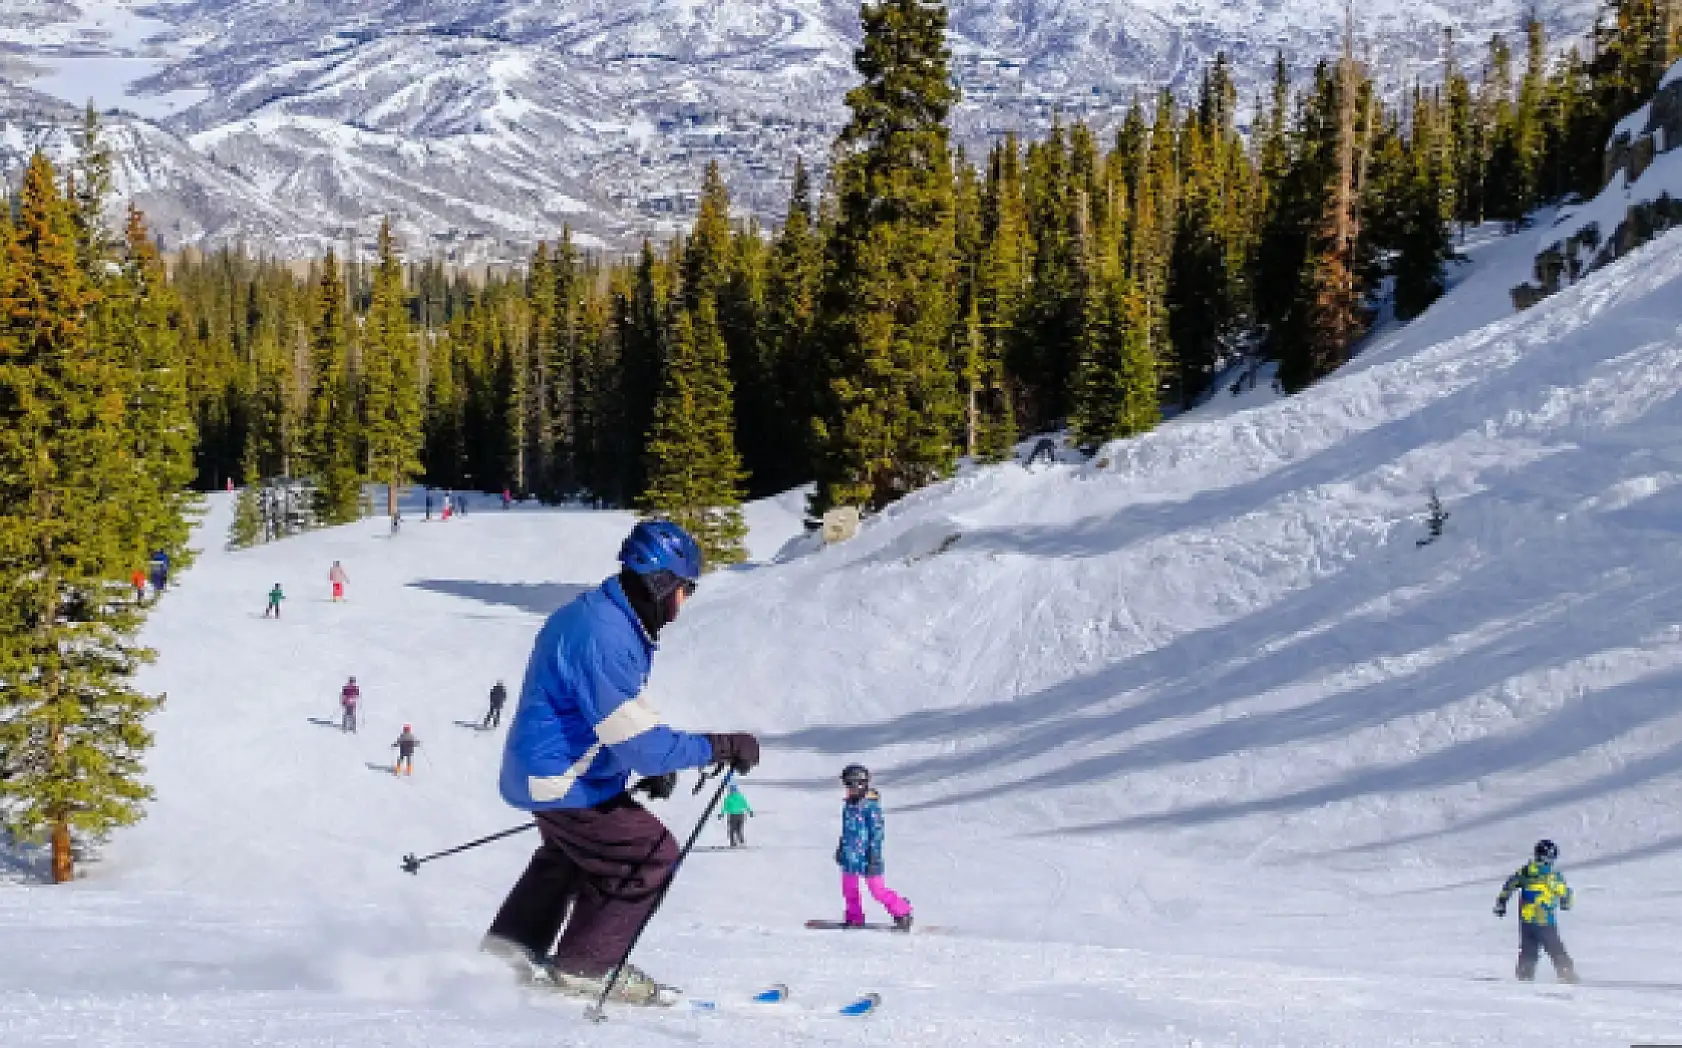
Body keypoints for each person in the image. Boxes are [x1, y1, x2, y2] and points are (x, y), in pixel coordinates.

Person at [481, 519, 761, 1006]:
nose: (684, 603)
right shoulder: (605, 636)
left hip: (551, 772)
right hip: (561, 779)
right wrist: (718, 746)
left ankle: (510, 950)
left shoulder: (602, 617)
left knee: (573, 854)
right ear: (663, 582)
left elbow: (599, 720)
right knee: (650, 852)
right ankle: (585, 966)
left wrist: (632, 766)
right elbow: (642, 744)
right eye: (686, 589)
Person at [835, 764, 913, 932]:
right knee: (849, 889)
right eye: (846, 785)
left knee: (877, 890)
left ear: (860, 785)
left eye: (849, 785)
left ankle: (903, 911)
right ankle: (854, 917)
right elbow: (846, 830)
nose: (847, 790)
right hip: (850, 855)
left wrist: (874, 855)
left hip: (869, 856)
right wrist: (841, 848)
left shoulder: (871, 808)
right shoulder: (849, 806)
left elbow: (877, 833)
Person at [1495, 839, 1577, 983]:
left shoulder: (1524, 872)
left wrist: (1501, 903)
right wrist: (1566, 902)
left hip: (1526, 920)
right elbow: (1564, 893)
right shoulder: (1551, 877)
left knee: (1528, 950)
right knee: (1555, 948)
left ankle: (1524, 973)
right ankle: (1566, 972)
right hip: (1544, 919)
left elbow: (1508, 886)